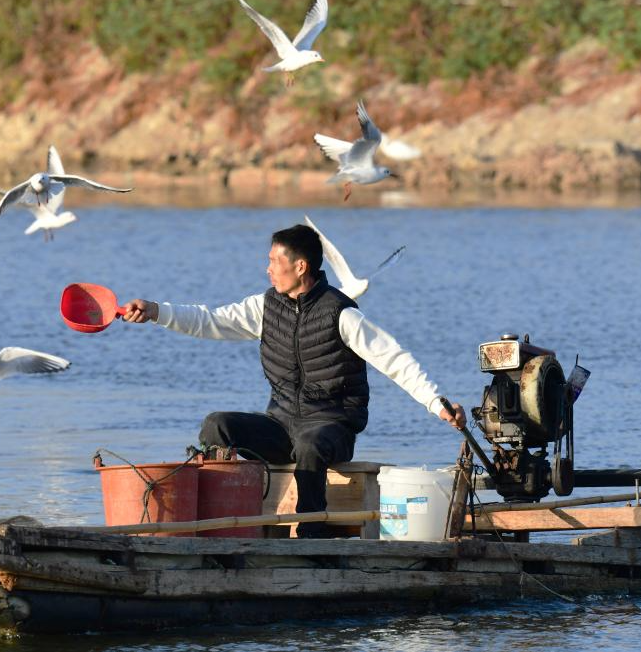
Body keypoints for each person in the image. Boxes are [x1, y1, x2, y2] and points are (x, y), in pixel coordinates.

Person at [121, 224, 466, 538]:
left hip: (331, 427)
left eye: (274, 261)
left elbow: (394, 359)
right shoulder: (265, 307)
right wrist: (156, 311)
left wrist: (436, 403)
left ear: (300, 267)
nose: (268, 268)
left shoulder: (341, 313)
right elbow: (209, 320)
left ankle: (311, 536)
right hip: (281, 424)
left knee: (310, 445)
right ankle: (220, 525)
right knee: (217, 425)